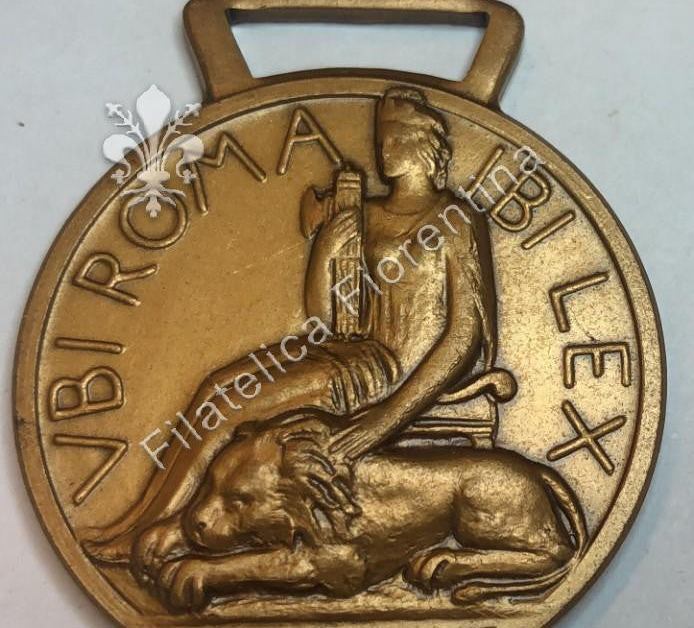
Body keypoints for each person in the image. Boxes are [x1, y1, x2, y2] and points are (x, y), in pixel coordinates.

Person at [87, 86, 497, 564]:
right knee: (216, 388)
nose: (385, 148)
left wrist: (384, 421)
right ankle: (144, 517)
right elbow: (325, 319)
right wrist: (327, 245)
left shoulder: (454, 219)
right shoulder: (364, 214)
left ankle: (165, 528)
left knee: (230, 406)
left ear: (428, 144)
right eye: (381, 136)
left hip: (386, 375)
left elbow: (464, 336)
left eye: (397, 136)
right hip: (347, 353)